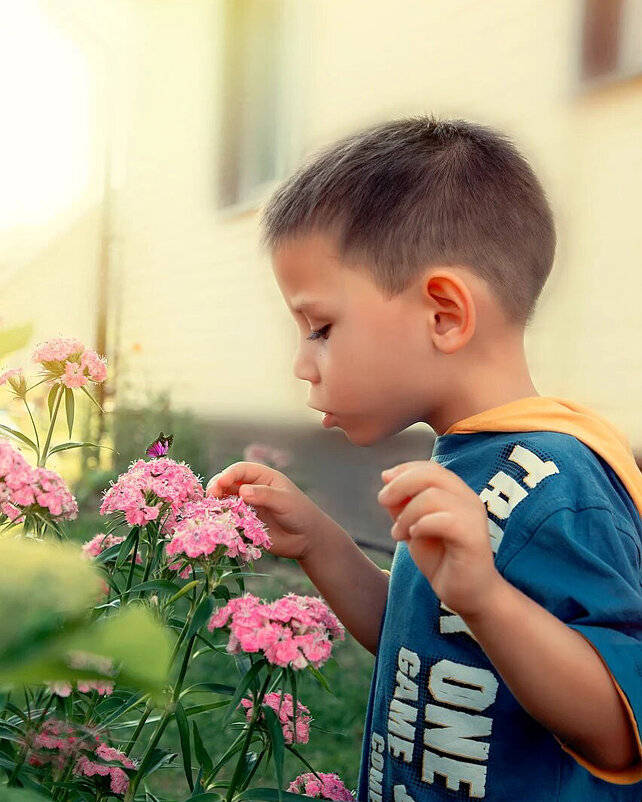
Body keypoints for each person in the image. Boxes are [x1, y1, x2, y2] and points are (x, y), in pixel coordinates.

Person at [206, 117, 642, 800]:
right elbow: (419, 646)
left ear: (443, 313)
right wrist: (320, 542)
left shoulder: (560, 482)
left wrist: (487, 599)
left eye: (320, 328)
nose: (301, 363)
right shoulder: (465, 463)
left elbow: (620, 727)